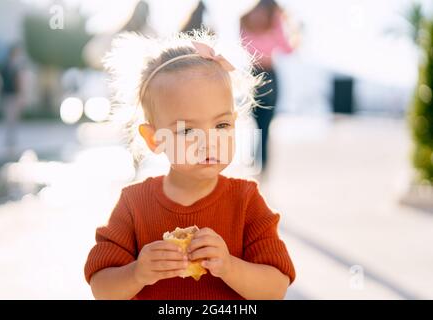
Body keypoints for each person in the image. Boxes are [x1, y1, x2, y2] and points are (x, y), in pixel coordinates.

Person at [84, 29, 295, 300]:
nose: (209, 142)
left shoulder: (246, 202)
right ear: (154, 138)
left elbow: (276, 288)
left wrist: (230, 267)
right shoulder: (134, 205)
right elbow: (102, 288)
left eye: (221, 125)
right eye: (187, 131)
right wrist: (137, 273)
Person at [240, 0, 299, 170]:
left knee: (255, 120)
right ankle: (263, 162)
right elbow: (288, 49)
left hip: (252, 72)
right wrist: (293, 30)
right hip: (269, 73)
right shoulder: (275, 19)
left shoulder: (245, 18)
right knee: (267, 123)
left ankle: (252, 157)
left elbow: (244, 44)